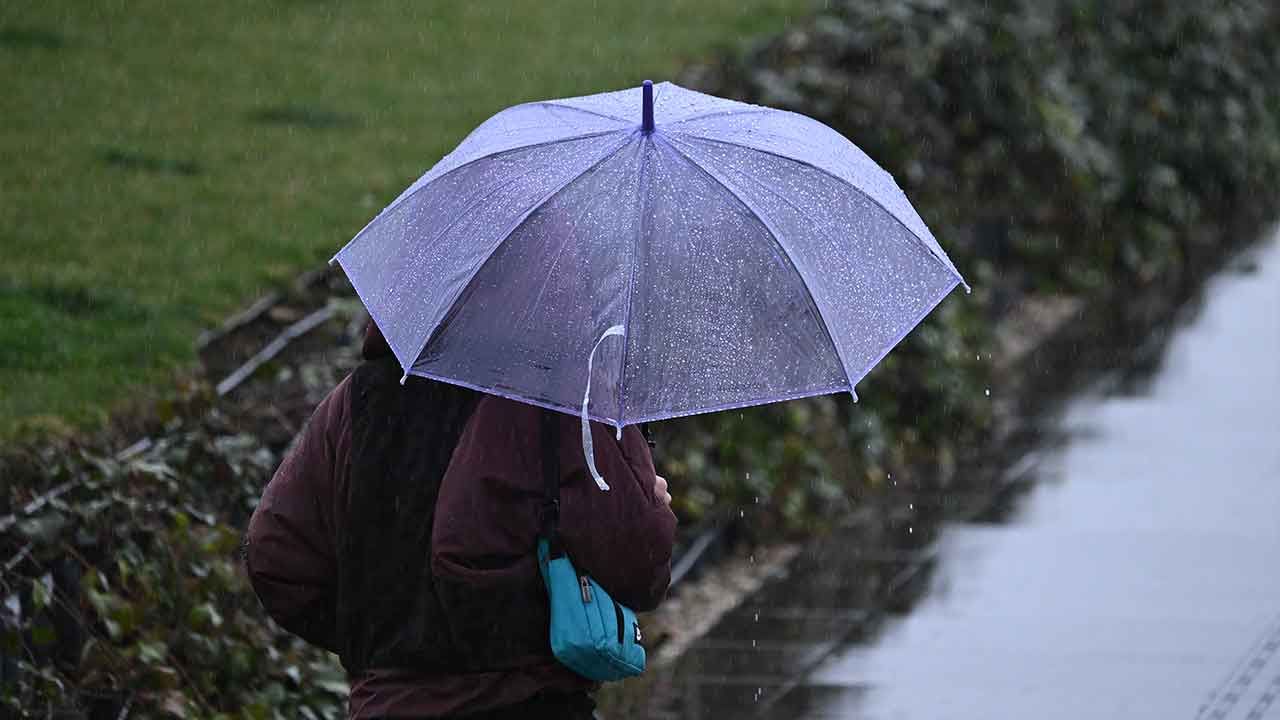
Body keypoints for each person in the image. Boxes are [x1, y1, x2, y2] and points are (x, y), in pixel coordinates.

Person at [244, 322, 676, 719]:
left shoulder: (360, 399)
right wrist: (650, 502)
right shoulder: (553, 394)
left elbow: (276, 556)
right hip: (526, 702)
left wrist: (385, 646)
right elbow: (639, 564)